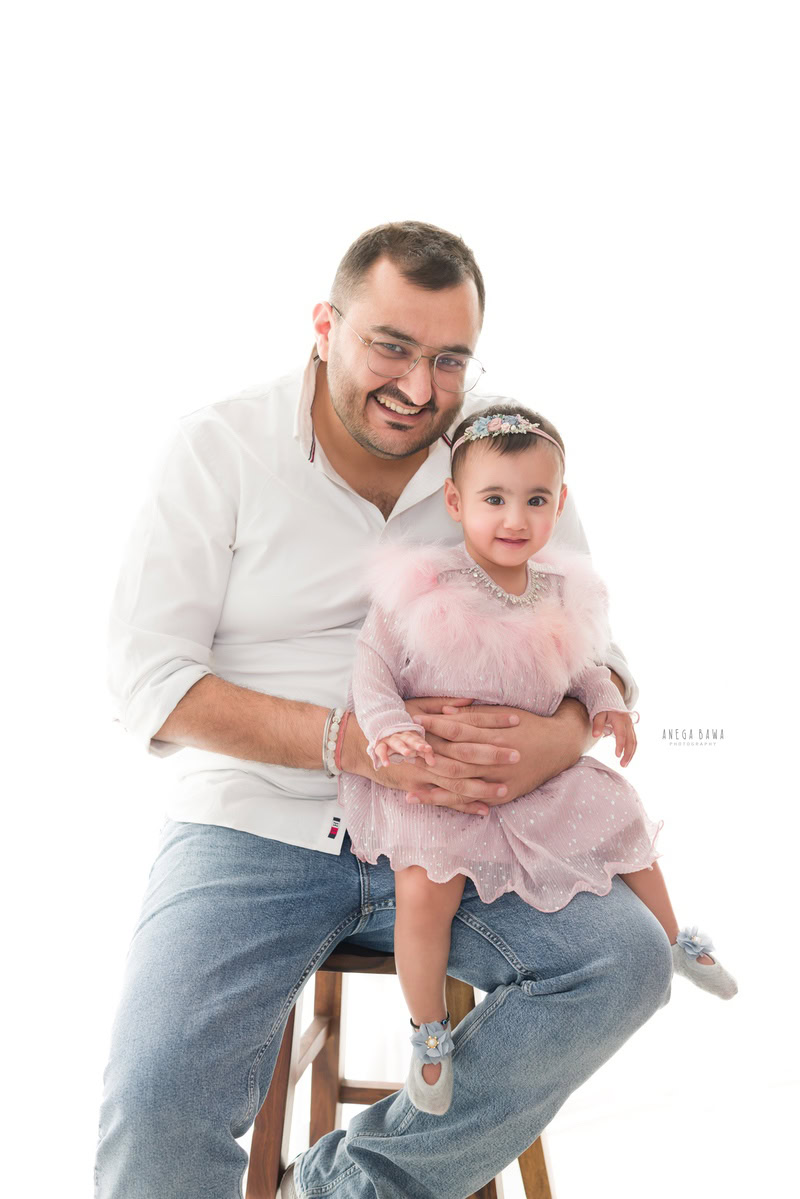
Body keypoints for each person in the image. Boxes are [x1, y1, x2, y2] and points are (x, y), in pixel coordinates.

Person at [96, 221, 673, 1199]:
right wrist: (344, 743)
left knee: (625, 962)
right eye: (390, 347)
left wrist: (555, 741)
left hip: (477, 828)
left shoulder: (500, 450)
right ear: (325, 326)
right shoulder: (218, 446)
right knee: (155, 1099)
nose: (419, 387)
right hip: (260, 821)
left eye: (448, 358)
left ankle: (346, 1187)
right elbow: (146, 680)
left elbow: (597, 653)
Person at [338, 403, 738, 1116]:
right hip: (440, 781)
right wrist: (389, 728)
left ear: (561, 504)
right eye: (494, 499)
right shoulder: (424, 589)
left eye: (536, 500)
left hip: (536, 779)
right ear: (457, 503)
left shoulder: (558, 589)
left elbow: (578, 662)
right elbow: (372, 672)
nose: (514, 518)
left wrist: (603, 701)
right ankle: (429, 1030)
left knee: (620, 819)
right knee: (428, 889)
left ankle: (676, 937)